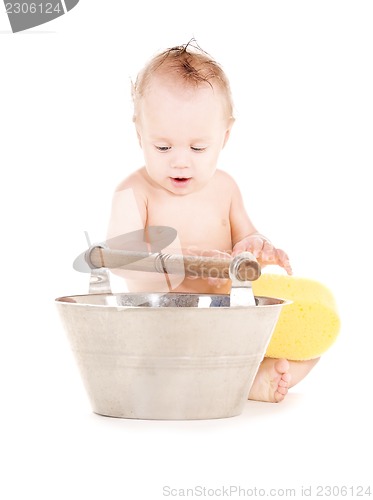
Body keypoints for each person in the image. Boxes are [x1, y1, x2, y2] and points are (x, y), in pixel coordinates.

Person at [107, 41, 319, 403]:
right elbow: (122, 261)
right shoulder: (134, 192)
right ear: (139, 134)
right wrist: (186, 259)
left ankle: (253, 376)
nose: (180, 162)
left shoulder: (226, 187)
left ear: (225, 136)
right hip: (165, 325)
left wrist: (257, 246)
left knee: (314, 331)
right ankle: (234, 380)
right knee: (165, 363)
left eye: (197, 148)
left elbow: (246, 238)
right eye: (162, 147)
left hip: (229, 317)